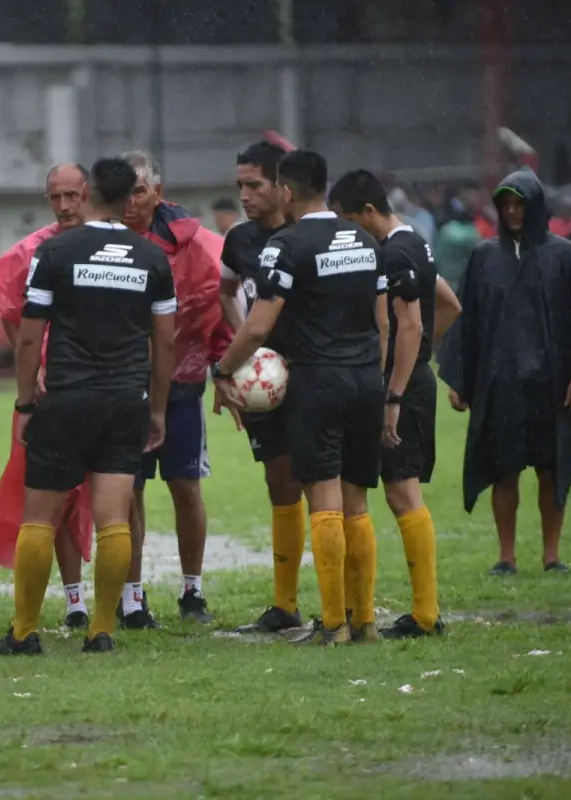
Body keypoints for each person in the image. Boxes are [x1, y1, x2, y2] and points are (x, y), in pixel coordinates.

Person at [0, 156, 176, 655]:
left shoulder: (56, 253)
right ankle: (102, 631)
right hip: (123, 402)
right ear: (129, 198)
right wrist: (156, 410)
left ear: (88, 194)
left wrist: (26, 404)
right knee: (114, 518)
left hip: (66, 400)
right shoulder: (152, 258)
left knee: (40, 518)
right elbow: (166, 343)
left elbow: (30, 339)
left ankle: (25, 632)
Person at [214, 149, 386, 646]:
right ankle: (365, 621)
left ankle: (331, 624)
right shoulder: (364, 239)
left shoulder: (286, 244)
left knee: (325, 499)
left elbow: (261, 323)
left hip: (318, 381)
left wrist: (223, 370)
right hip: (365, 380)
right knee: (358, 503)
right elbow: (383, 322)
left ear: (286, 191)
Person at [439, 170, 571, 575]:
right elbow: (468, 318)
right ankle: (506, 556)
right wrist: (460, 380)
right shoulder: (484, 257)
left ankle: (551, 555)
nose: (512, 211)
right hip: (500, 384)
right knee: (503, 469)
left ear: (535, 206)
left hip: (552, 382)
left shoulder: (563, 255)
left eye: (520, 204)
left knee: (552, 469)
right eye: (505, 205)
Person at [329, 169, 463, 639]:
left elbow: (410, 326)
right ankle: (412, 611)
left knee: (402, 492)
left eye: (350, 221)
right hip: (409, 379)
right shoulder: (416, 242)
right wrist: (422, 357)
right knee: (394, 490)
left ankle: (426, 614)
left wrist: (397, 390)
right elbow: (447, 304)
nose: (348, 232)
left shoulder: (396, 251)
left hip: (398, 388)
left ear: (368, 211)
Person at [0, 163, 96, 629]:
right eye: (55, 197)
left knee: (105, 500)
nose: (64, 206)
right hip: (47, 394)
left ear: (87, 194)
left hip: (98, 388)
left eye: (72, 195)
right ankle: (70, 602)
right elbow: (6, 305)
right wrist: (33, 367)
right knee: (46, 501)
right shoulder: (34, 249)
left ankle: (120, 600)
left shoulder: (109, 246)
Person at [120, 150, 228, 627]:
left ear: (158, 193)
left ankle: (192, 592)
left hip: (181, 386)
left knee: (186, 487)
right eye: (123, 191)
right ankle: (132, 599)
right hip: (122, 387)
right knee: (128, 493)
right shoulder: (104, 239)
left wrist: (224, 370)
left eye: (139, 191)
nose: (130, 201)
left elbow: (214, 309)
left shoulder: (192, 244)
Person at [214, 140, 307, 634]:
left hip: (313, 373)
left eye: (255, 185)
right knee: (279, 482)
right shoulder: (239, 240)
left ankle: (345, 603)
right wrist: (244, 348)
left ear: (282, 186)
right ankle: (285, 605)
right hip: (264, 380)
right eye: (240, 185)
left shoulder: (307, 235)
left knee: (326, 485)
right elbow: (226, 291)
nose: (245, 195)